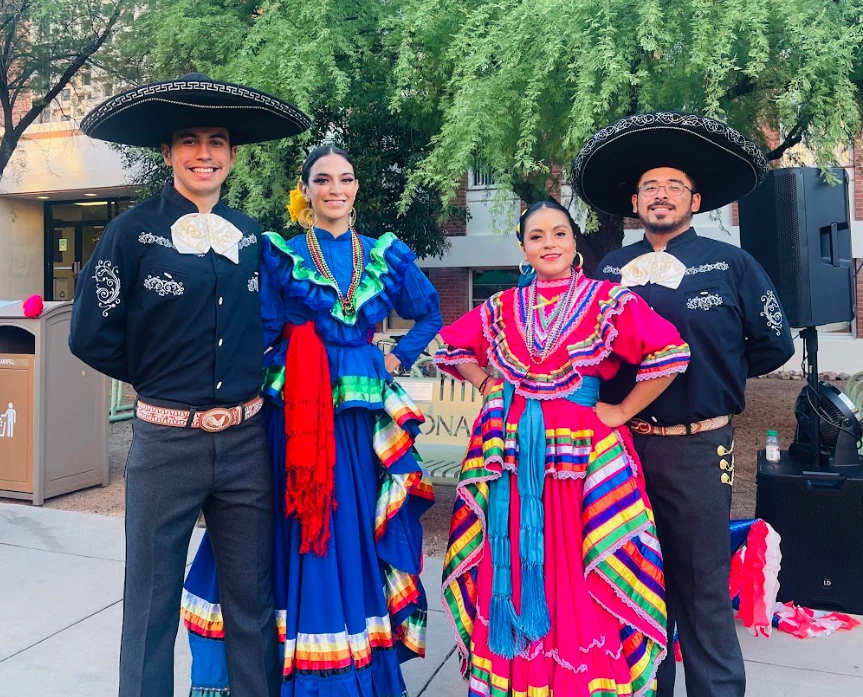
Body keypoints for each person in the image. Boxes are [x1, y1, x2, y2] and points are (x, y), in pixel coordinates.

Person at [69, 73, 311, 697]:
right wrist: (159, 375)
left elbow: (270, 321)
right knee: (150, 606)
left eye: (216, 141)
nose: (204, 153)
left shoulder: (251, 235)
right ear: (168, 152)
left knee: (251, 602)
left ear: (232, 154)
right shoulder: (131, 232)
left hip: (244, 443)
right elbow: (89, 333)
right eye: (189, 140)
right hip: (165, 444)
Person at [181, 145, 442, 697]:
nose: (335, 189)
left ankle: (344, 660)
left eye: (345, 179)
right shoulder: (282, 254)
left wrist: (397, 357)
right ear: (306, 190)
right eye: (323, 180)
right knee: (295, 520)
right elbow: (261, 329)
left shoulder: (386, 254)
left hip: (360, 414)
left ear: (356, 187)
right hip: (295, 409)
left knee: (353, 522)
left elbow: (429, 311)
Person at [576, 111, 796, 697]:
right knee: (634, 581)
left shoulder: (732, 264)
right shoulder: (610, 269)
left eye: (674, 186)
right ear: (634, 202)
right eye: (650, 186)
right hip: (621, 449)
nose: (661, 194)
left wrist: (713, 376)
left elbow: (774, 344)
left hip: (698, 448)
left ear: (695, 201)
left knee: (702, 587)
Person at [435, 198, 692, 696]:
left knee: (581, 566)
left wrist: (621, 411)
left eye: (559, 233)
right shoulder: (502, 307)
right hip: (513, 460)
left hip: (583, 461)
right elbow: (453, 346)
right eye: (536, 236)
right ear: (523, 249)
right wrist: (486, 383)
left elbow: (668, 351)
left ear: (575, 243)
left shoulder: (606, 300)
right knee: (512, 560)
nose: (548, 243)